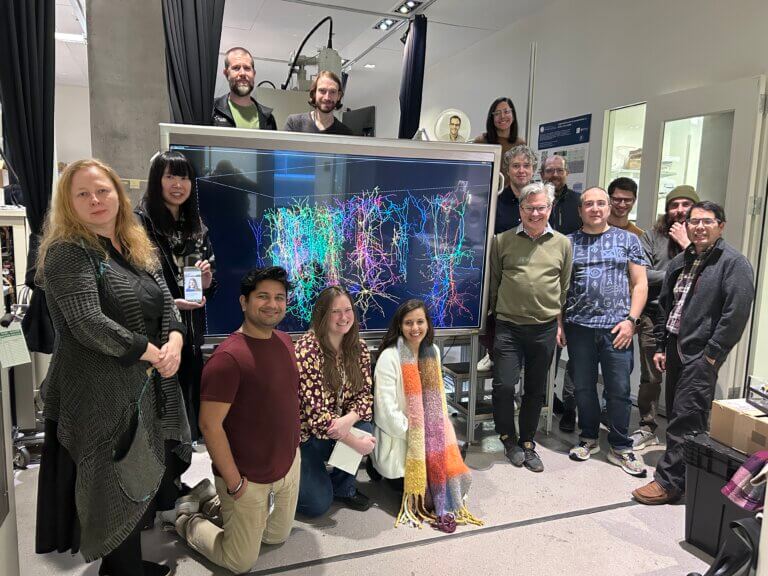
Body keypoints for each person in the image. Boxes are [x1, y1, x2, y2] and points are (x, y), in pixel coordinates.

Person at [34, 159, 190, 576]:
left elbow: (168, 306)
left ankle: (128, 565)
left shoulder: (135, 244)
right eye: (82, 194)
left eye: (102, 190)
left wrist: (175, 341)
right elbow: (87, 322)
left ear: (118, 194)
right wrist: (152, 352)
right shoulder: (68, 252)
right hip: (97, 395)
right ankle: (120, 571)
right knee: (112, 484)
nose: (95, 200)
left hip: (143, 388)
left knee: (137, 475)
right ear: (68, 204)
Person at [175, 267, 301, 574]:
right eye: (263, 296)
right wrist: (233, 483)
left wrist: (295, 452)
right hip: (246, 476)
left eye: (279, 297)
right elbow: (209, 426)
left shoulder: (285, 342)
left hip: (287, 465)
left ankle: (211, 500)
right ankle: (186, 519)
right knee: (240, 561)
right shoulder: (228, 359)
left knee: (275, 537)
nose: (272, 304)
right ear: (244, 302)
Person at [633, 201, 754, 505]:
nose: (699, 227)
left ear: (721, 226)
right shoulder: (681, 261)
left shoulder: (733, 263)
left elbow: (735, 314)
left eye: (707, 221)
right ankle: (688, 478)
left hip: (702, 353)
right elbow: (666, 306)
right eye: (694, 221)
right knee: (678, 414)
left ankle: (668, 483)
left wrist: (713, 354)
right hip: (675, 347)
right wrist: (662, 346)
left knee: (687, 418)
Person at [370, 299, 482, 532]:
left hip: (426, 434)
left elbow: (439, 401)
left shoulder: (433, 352)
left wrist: (440, 433)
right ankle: (375, 464)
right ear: (400, 326)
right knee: (413, 487)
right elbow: (385, 411)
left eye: (420, 322)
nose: (415, 328)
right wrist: (417, 434)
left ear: (428, 324)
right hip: (401, 436)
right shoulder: (389, 357)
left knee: (452, 465)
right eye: (408, 323)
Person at [564, 187, 648, 477]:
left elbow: (640, 283)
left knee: (620, 390)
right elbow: (560, 287)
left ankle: (621, 446)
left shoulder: (628, 240)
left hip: (618, 328)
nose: (595, 209)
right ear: (580, 210)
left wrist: (631, 320)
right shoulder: (568, 243)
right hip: (579, 326)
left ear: (609, 208)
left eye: (601, 203)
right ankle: (588, 437)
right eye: (589, 204)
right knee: (583, 387)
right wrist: (560, 323)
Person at [489, 182, 572, 472]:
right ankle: (507, 438)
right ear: (520, 209)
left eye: (540, 207)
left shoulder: (563, 244)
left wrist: (557, 321)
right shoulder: (502, 241)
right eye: (529, 208)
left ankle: (527, 442)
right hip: (508, 327)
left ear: (550, 208)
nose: (535, 213)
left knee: (536, 390)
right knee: (504, 385)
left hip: (544, 328)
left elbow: (564, 287)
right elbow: (495, 282)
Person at [136, 151, 217, 444]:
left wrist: (206, 281)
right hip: (155, 335)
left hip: (191, 331)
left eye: (184, 178)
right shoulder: (139, 225)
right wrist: (170, 303)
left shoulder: (197, 227)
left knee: (186, 409)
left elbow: (211, 283)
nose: (178, 185)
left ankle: (181, 461)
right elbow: (134, 282)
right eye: (170, 176)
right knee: (159, 414)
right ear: (156, 180)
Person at [294, 285, 375, 516]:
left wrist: (348, 421)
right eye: (335, 312)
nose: (343, 317)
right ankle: (292, 481)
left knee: (364, 426)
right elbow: (317, 419)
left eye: (347, 310)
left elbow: (365, 396)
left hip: (338, 428)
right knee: (316, 506)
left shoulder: (359, 347)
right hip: (307, 438)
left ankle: (343, 487)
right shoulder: (306, 351)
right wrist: (356, 444)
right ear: (322, 315)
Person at [632, 185, 699, 449]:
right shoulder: (651, 236)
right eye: (674, 205)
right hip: (654, 314)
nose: (679, 210)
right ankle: (647, 426)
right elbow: (644, 275)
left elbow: (707, 273)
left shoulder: (702, 236)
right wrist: (682, 267)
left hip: (691, 316)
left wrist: (686, 245)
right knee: (651, 375)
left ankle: (681, 431)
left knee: (685, 376)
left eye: (685, 204)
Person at [478, 144, 538, 372]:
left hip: (533, 272)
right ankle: (493, 354)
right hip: (502, 271)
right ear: (507, 170)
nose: (521, 170)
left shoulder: (540, 200)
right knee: (497, 319)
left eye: (526, 166)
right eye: (516, 166)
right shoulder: (495, 201)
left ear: (533, 170)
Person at [541, 153, 582, 431]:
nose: (554, 175)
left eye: (559, 170)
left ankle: (570, 407)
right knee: (548, 352)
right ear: (542, 174)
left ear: (566, 173)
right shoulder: (537, 199)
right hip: (546, 289)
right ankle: (546, 398)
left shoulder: (578, 203)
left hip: (574, 290)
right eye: (549, 170)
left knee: (576, 354)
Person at [212, 46, 277, 130]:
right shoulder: (211, 110)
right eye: (236, 68)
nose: (242, 73)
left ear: (254, 74)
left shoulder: (268, 119)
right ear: (226, 74)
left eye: (247, 68)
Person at [284, 71, 353, 135]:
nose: (327, 97)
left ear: (338, 96)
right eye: (322, 90)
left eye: (333, 92)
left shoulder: (346, 133)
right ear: (314, 93)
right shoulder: (294, 124)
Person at [473, 97, 525, 176]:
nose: (502, 116)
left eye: (506, 112)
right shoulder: (481, 142)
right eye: (497, 113)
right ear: (492, 118)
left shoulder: (520, 144)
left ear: (513, 115)